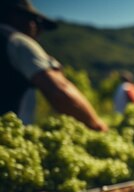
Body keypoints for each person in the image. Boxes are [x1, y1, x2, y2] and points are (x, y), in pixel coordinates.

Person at [0, 0, 107, 131]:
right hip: (7, 139)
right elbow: (60, 90)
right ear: (15, 16)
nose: (39, 31)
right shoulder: (17, 41)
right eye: (36, 22)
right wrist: (97, 126)